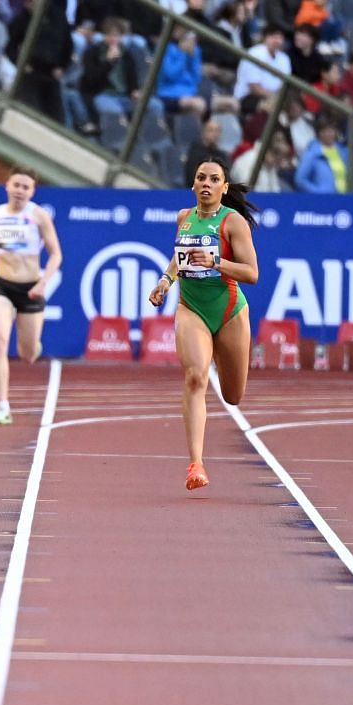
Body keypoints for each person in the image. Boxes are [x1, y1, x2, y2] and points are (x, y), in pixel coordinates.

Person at [147, 158, 261, 491]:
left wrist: (218, 262)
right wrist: (166, 281)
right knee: (196, 376)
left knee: (233, 395)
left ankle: (224, 366)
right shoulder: (184, 218)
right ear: (194, 185)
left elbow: (252, 274)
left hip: (229, 311)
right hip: (191, 307)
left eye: (214, 179)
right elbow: (179, 258)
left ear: (224, 188)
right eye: (201, 178)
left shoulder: (233, 223)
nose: (206, 183)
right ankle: (196, 464)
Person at [0, 167, 63, 426]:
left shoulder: (39, 216)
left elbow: (56, 255)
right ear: (7, 185)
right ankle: (2, 405)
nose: (20, 190)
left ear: (32, 192)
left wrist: (43, 283)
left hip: (30, 289)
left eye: (26, 187)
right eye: (16, 185)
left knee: (28, 354)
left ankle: (32, 345)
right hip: (3, 286)